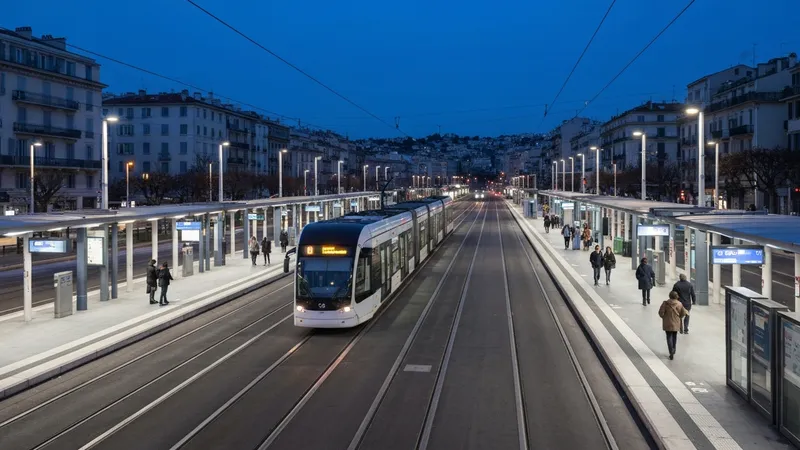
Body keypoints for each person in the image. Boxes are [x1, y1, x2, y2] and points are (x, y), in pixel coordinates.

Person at [659, 291, 688, 360]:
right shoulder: (679, 304)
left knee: (669, 337)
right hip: (676, 322)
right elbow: (683, 313)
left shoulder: (665, 303)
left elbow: (661, 312)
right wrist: (679, 317)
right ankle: (673, 349)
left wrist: (664, 317)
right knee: (674, 336)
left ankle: (670, 351)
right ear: (676, 296)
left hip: (667, 322)